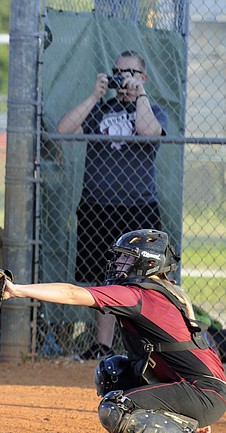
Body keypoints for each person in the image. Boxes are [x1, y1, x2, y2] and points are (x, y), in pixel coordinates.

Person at [3, 229, 226, 433]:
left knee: (116, 408)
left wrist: (16, 290)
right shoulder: (158, 290)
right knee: (114, 373)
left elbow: (72, 293)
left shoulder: (139, 295)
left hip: (202, 392)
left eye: (126, 258)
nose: (118, 263)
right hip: (195, 388)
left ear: (148, 263)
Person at [56, 50, 168, 360]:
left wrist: (139, 94)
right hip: (98, 206)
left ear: (142, 77)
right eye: (119, 71)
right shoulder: (100, 110)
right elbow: (63, 130)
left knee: (144, 280)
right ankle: (102, 346)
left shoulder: (154, 110)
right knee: (101, 277)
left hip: (138, 207)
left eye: (131, 72)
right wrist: (95, 95)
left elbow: (148, 133)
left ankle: (148, 346)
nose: (124, 78)